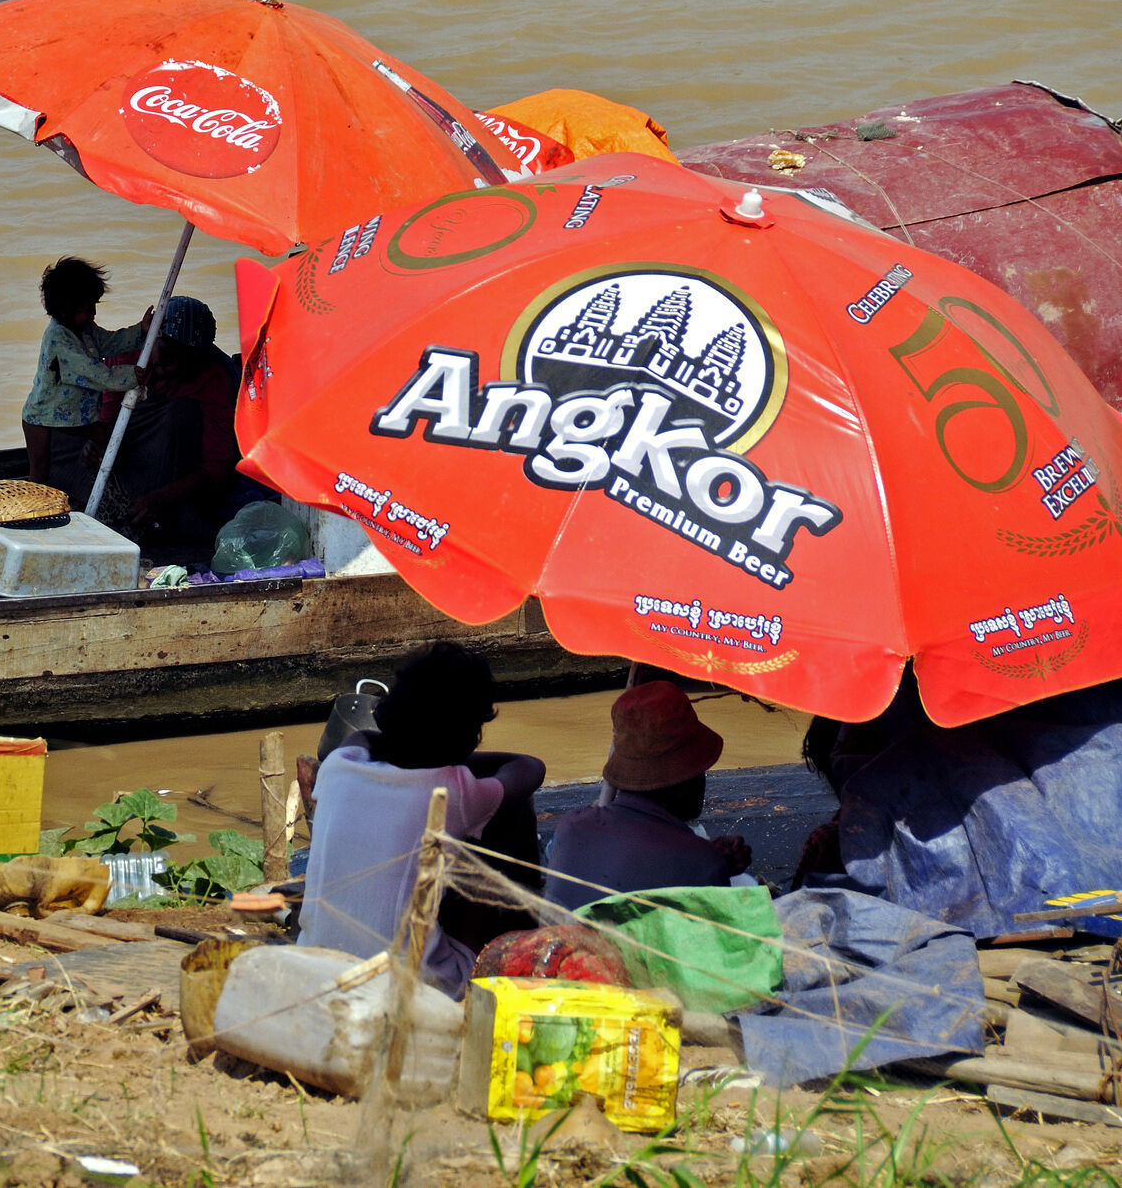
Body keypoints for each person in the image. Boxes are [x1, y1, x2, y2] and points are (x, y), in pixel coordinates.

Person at [298, 643, 546, 988]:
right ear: (465, 735)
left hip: (315, 965)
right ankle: (523, 937)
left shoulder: (340, 764)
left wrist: (441, 756)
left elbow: (365, 736)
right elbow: (530, 768)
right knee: (509, 809)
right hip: (415, 986)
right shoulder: (452, 790)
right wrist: (455, 760)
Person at [543, 682, 752, 910]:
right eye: (700, 770)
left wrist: (708, 857)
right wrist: (710, 862)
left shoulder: (571, 827)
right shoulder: (702, 863)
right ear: (683, 779)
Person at [103, 296, 241, 559]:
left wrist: (160, 498)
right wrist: (98, 444)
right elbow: (106, 418)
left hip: (177, 471)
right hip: (129, 450)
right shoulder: (126, 354)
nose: (174, 367)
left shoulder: (216, 377)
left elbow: (218, 468)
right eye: (166, 355)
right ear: (151, 339)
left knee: (179, 412)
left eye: (187, 360)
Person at [20, 257, 148, 503]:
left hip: (71, 416)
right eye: (86, 308)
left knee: (107, 438)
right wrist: (131, 376)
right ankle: (32, 517)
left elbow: (109, 342)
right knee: (39, 478)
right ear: (64, 311)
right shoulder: (59, 338)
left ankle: (101, 483)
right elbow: (94, 373)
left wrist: (140, 331)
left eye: (94, 305)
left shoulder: (84, 328)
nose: (93, 313)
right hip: (42, 419)